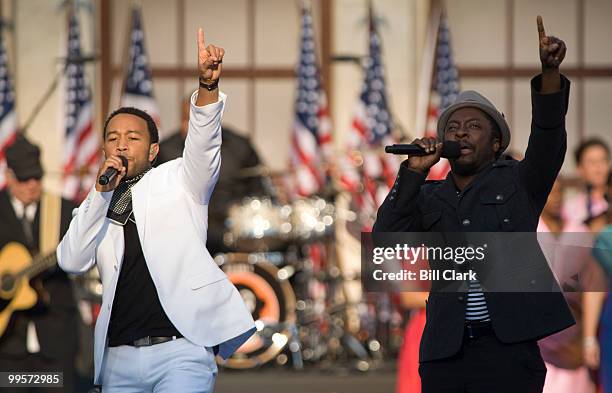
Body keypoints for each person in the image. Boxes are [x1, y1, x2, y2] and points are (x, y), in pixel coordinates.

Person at [373, 16, 575, 392]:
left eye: (473, 126)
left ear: (496, 142)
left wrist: (550, 74)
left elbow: (549, 137)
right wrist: (413, 172)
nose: (461, 132)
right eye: (452, 128)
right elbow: (388, 237)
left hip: (507, 347)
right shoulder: (430, 195)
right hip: (446, 350)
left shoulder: (519, 183)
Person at [57, 29, 255, 392]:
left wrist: (207, 87)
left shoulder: (178, 179)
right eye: (113, 138)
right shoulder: (99, 199)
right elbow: (71, 260)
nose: (121, 144)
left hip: (180, 350)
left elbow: (204, 145)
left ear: (151, 151)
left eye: (132, 138)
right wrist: (100, 194)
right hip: (118, 357)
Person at [0, 135, 79, 392]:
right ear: (9, 176)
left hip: (55, 341)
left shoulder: (63, 210)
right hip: (8, 347)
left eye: (37, 176)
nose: (33, 185)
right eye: (24, 178)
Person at [156, 98, 266, 256]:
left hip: (231, 231)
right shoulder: (165, 151)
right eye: (188, 120)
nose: (195, 127)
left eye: (201, 121)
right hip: (183, 231)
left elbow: (258, 189)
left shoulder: (240, 146)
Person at [563, 138, 610, 229]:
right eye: (592, 162)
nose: (599, 167)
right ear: (579, 168)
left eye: (603, 160)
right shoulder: (570, 208)